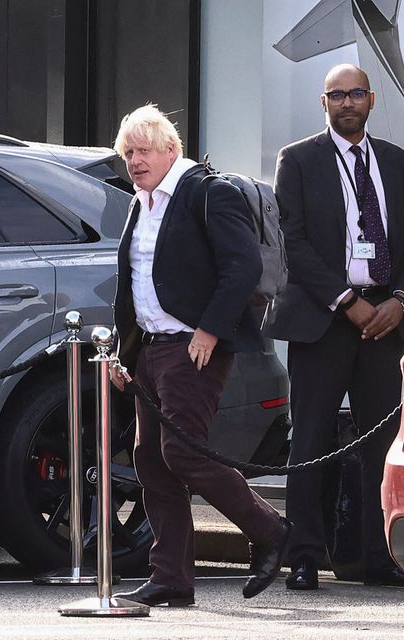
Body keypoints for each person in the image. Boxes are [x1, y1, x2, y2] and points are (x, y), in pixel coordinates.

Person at [109, 104, 294, 605]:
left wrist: (209, 331)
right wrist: (125, 352)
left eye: (144, 150)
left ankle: (272, 531)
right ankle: (171, 578)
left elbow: (242, 267)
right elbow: (132, 281)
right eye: (128, 152)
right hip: (150, 348)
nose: (135, 161)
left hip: (192, 348)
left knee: (182, 452)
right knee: (151, 461)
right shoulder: (140, 202)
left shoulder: (209, 192)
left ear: (172, 149)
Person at [266, 64, 404, 589]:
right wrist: (346, 301)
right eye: (336, 95)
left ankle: (379, 559)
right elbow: (292, 240)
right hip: (324, 319)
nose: (347, 103)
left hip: (386, 321)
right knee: (310, 439)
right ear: (323, 103)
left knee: (383, 440)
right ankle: (305, 557)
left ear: (371, 99)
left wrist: (401, 301)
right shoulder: (297, 160)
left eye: (355, 94)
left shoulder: (397, 162)